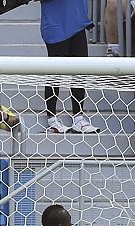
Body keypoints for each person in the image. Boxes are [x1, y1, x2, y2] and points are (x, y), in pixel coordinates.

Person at [40, 0, 99, 134]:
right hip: (56, 24)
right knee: (55, 73)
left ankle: (78, 117)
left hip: (78, 23)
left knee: (79, 72)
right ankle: (51, 118)